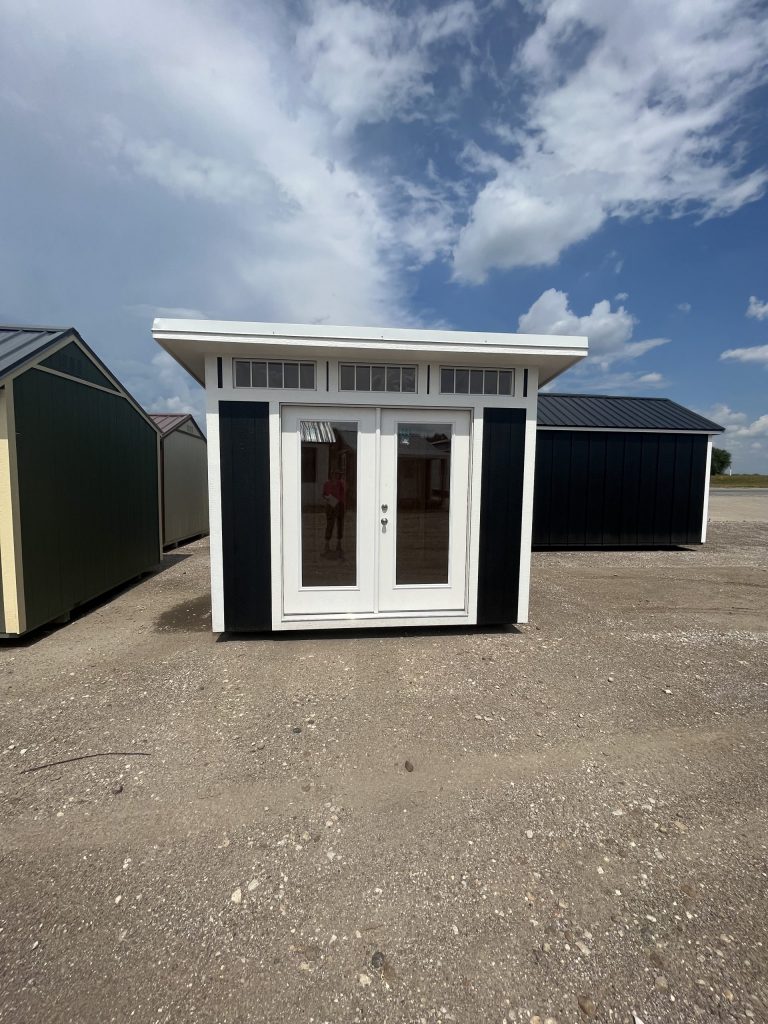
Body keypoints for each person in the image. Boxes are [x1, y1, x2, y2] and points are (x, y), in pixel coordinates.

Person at [322, 469, 346, 557]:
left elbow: (344, 493)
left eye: (337, 474)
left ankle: (339, 544)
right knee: (330, 524)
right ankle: (327, 544)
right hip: (330, 505)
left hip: (339, 505)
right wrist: (327, 498)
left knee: (340, 524)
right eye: (334, 474)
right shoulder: (326, 483)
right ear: (331, 475)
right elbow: (323, 494)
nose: (335, 476)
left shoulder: (341, 483)